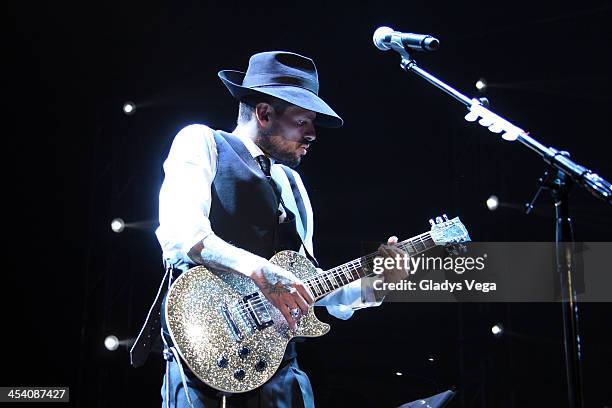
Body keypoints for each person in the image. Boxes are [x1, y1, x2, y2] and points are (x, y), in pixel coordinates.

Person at [153, 51, 407, 408]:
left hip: (280, 370)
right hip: (205, 356)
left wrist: (376, 284)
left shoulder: (293, 184)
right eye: (303, 121)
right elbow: (182, 233)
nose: (313, 134)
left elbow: (306, 283)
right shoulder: (202, 142)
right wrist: (260, 270)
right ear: (264, 114)